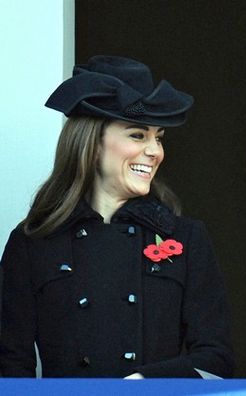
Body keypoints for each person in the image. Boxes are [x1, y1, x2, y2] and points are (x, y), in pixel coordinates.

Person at [0, 55, 234, 378]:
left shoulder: (187, 239)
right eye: (138, 135)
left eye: (159, 137)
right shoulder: (30, 244)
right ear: (92, 144)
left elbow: (216, 359)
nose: (155, 151)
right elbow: (10, 368)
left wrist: (144, 384)